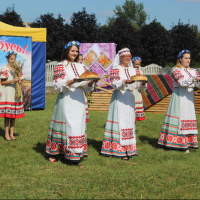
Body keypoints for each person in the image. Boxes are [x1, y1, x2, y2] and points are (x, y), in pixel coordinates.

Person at [45, 41, 97, 167]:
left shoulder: (82, 67)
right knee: (65, 125)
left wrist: (91, 82)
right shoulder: (60, 66)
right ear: (67, 51)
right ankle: (56, 152)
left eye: (76, 51)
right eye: (72, 51)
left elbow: (85, 87)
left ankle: (75, 154)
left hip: (79, 98)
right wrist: (72, 80)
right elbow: (58, 85)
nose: (74, 53)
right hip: (66, 98)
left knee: (77, 125)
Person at [101, 48, 147, 160]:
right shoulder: (115, 70)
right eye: (125, 56)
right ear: (120, 57)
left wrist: (143, 83)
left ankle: (129, 148)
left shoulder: (134, 71)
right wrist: (125, 81)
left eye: (129, 56)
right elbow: (115, 84)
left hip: (130, 98)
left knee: (129, 121)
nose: (127, 58)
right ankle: (118, 149)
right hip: (119, 98)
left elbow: (138, 87)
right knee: (120, 121)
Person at [158, 49, 200, 153]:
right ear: (180, 59)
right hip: (180, 96)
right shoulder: (175, 70)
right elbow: (181, 82)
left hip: (189, 97)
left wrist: (198, 81)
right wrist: (194, 79)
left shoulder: (193, 71)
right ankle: (178, 144)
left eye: (189, 58)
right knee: (180, 117)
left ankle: (188, 143)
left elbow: (196, 86)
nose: (188, 60)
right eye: (185, 58)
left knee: (188, 117)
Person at [0, 51, 25, 140]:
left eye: (14, 59)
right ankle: (6, 134)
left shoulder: (17, 69)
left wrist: (19, 81)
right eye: (11, 59)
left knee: (13, 115)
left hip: (15, 92)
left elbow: (21, 81)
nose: (13, 60)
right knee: (7, 115)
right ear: (7, 59)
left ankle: (11, 134)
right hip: (8, 92)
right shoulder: (4, 68)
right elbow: (2, 82)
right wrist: (13, 80)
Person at [132, 57, 145, 121]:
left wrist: (143, 82)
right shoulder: (131, 71)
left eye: (138, 64)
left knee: (137, 101)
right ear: (132, 64)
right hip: (133, 89)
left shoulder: (140, 72)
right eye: (136, 64)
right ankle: (132, 116)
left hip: (138, 90)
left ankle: (137, 117)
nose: (137, 66)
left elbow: (143, 78)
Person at [77, 52, 89, 123]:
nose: (80, 61)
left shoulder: (83, 68)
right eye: (79, 59)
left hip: (82, 90)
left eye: (82, 59)